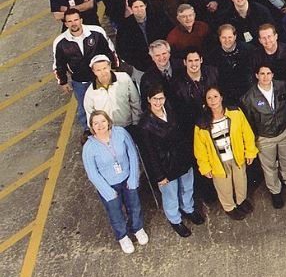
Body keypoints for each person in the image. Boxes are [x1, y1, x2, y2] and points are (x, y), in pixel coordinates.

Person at [138, 85, 203, 238]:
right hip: (165, 165)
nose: (158, 102)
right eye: (155, 99)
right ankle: (175, 219)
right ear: (148, 100)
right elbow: (149, 154)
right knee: (170, 194)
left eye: (161, 98)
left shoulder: (172, 110)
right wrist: (159, 176)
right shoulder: (145, 124)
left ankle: (188, 208)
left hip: (182, 158)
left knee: (187, 187)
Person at [240, 62, 286, 208]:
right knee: (269, 166)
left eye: (268, 73)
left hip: (285, 132)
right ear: (257, 75)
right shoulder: (249, 97)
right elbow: (248, 122)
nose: (265, 77)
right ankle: (275, 191)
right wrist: (256, 138)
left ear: (273, 75)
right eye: (262, 74)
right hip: (264, 137)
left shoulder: (283, 86)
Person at [82, 110, 148, 254]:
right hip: (108, 186)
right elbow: (92, 173)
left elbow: (132, 153)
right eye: (96, 123)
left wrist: (133, 177)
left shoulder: (121, 133)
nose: (100, 125)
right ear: (92, 127)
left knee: (134, 206)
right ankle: (122, 236)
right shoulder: (89, 147)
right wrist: (108, 192)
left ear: (109, 121)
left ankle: (137, 228)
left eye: (103, 121)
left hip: (127, 179)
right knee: (115, 213)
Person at [193, 85, 257, 220]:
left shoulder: (235, 113)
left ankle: (241, 201)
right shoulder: (202, 123)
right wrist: (205, 167)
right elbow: (200, 149)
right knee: (224, 187)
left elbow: (247, 132)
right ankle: (229, 207)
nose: (213, 100)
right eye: (209, 98)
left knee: (241, 181)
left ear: (221, 98)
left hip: (236, 156)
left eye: (215, 96)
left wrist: (250, 151)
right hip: (218, 162)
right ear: (205, 101)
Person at [53, 9, 118, 133]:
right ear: (65, 24)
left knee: (108, 102)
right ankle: (88, 131)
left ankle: (112, 128)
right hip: (80, 81)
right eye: (70, 21)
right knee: (84, 108)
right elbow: (58, 64)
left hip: (100, 77)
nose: (74, 23)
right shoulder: (60, 42)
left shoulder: (96, 32)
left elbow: (110, 50)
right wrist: (63, 82)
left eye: (76, 20)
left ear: (81, 20)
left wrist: (114, 68)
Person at [82, 55, 140, 129]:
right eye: (98, 70)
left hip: (128, 125)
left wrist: (136, 123)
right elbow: (90, 116)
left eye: (104, 68)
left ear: (109, 66)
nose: (103, 72)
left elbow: (135, 102)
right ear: (94, 72)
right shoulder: (90, 93)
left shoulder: (124, 79)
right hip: (108, 130)